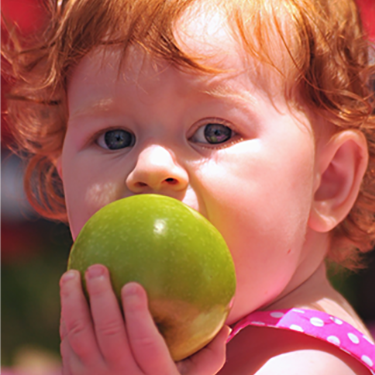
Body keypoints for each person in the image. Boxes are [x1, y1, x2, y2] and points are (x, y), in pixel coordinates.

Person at [3, 0, 375, 373]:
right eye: (115, 138)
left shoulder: (303, 365)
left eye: (214, 133)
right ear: (63, 176)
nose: (150, 166)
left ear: (328, 180)